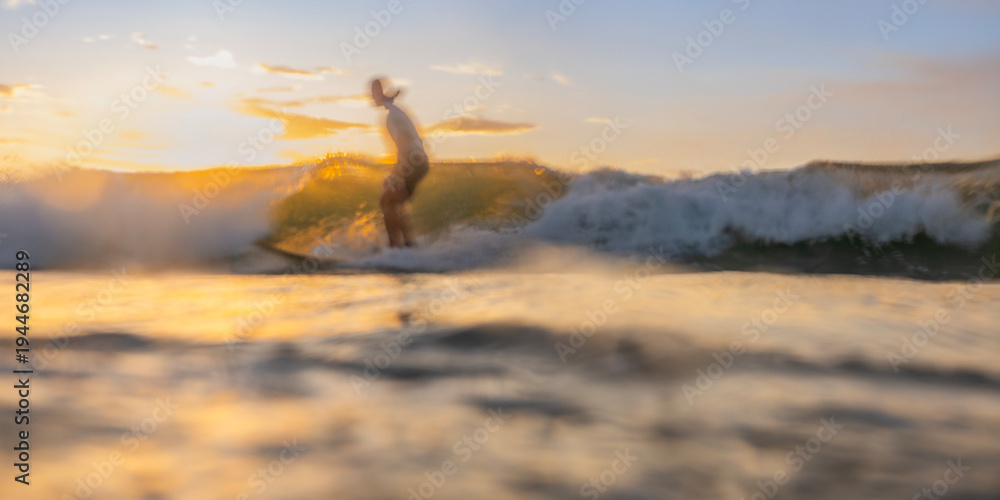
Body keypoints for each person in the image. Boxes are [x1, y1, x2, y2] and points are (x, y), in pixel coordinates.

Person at [371, 78, 429, 248]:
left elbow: (404, 144)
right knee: (393, 201)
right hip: (417, 162)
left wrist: (399, 175)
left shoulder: (394, 115)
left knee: (387, 201)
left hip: (413, 162)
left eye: (373, 92)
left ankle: (395, 248)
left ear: (379, 93)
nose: (371, 97)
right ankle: (409, 245)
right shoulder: (394, 111)